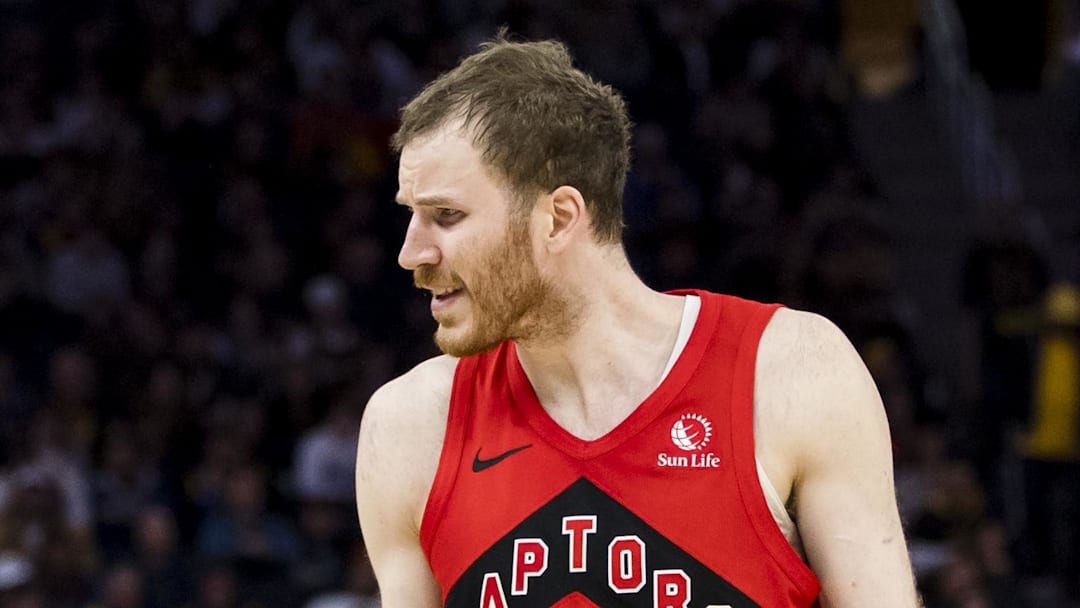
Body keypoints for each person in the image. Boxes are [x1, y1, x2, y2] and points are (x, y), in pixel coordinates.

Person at [355, 34, 919, 608]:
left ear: (557, 218)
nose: (411, 253)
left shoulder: (792, 373)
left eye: (445, 216)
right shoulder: (407, 428)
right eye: (412, 216)